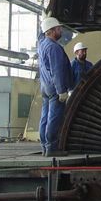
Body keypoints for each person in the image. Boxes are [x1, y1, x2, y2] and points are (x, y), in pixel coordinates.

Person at [38, 17, 73, 157]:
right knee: (54, 117)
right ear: (51, 31)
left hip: (45, 86)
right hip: (54, 88)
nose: (61, 31)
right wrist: (61, 91)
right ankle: (52, 147)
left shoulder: (42, 44)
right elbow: (57, 70)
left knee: (45, 117)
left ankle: (44, 146)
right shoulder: (54, 48)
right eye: (59, 29)